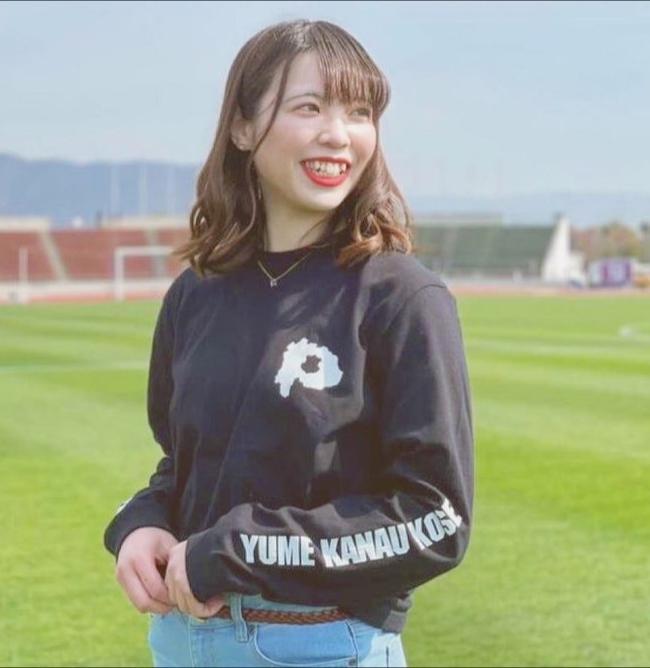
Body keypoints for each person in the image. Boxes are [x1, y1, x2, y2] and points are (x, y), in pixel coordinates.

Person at [103, 18, 474, 668]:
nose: (339, 133)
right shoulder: (196, 293)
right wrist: (143, 522)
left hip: (320, 646)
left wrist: (241, 549)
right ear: (243, 128)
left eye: (359, 113)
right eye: (310, 107)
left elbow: (435, 517)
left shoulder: (400, 297)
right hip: (180, 644)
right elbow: (185, 466)